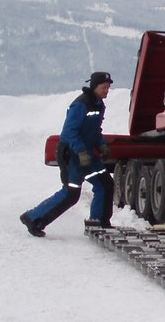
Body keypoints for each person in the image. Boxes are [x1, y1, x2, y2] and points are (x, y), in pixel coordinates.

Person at [19, 71, 115, 237]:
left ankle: (99, 222)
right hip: (72, 155)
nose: (107, 90)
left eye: (108, 87)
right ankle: (33, 218)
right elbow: (69, 132)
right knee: (71, 194)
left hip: (89, 155)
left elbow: (95, 130)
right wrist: (81, 151)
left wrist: (102, 145)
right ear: (95, 87)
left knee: (105, 184)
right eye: (104, 87)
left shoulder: (99, 105)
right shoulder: (81, 104)